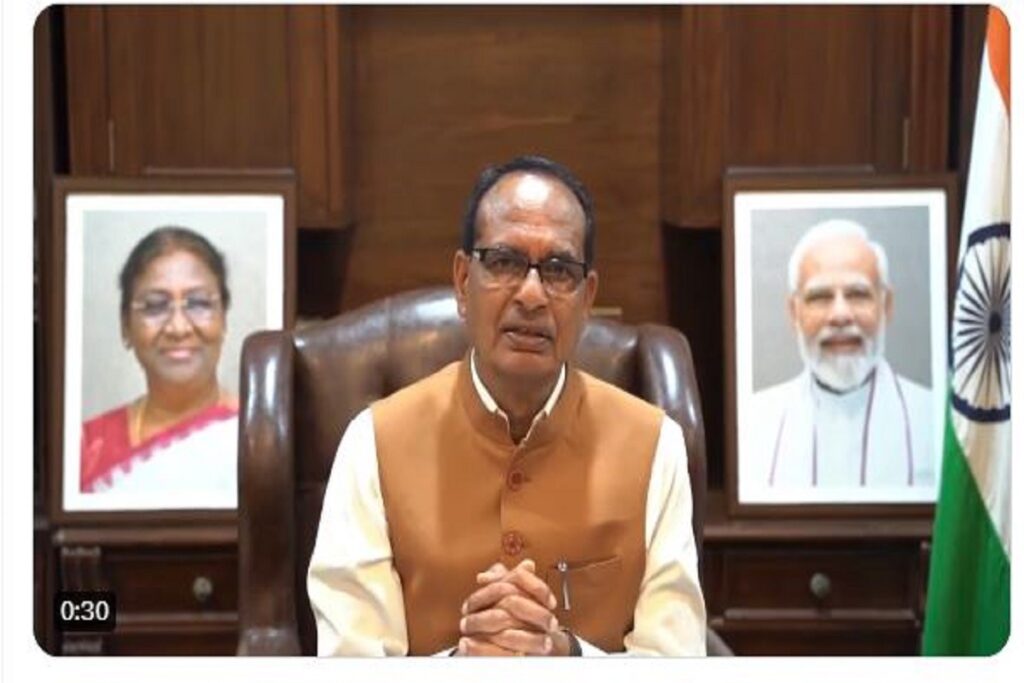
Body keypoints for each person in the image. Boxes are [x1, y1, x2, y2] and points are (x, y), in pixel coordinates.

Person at [307, 155, 706, 656]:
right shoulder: (373, 444)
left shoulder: (654, 446)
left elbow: (678, 659)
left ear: (587, 298)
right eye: (504, 262)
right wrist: (461, 662)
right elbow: (349, 661)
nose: (532, 295)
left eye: (559, 270)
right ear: (462, 282)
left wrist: (567, 655)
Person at [747, 219, 934, 490]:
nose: (840, 315)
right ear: (794, 312)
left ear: (886, 305)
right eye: (820, 297)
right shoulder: (753, 424)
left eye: (858, 294)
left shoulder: (934, 419)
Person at [80, 227, 239, 500]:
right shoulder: (88, 448)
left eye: (199, 303)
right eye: (155, 306)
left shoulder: (256, 436)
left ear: (223, 319)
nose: (178, 328)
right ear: (125, 327)